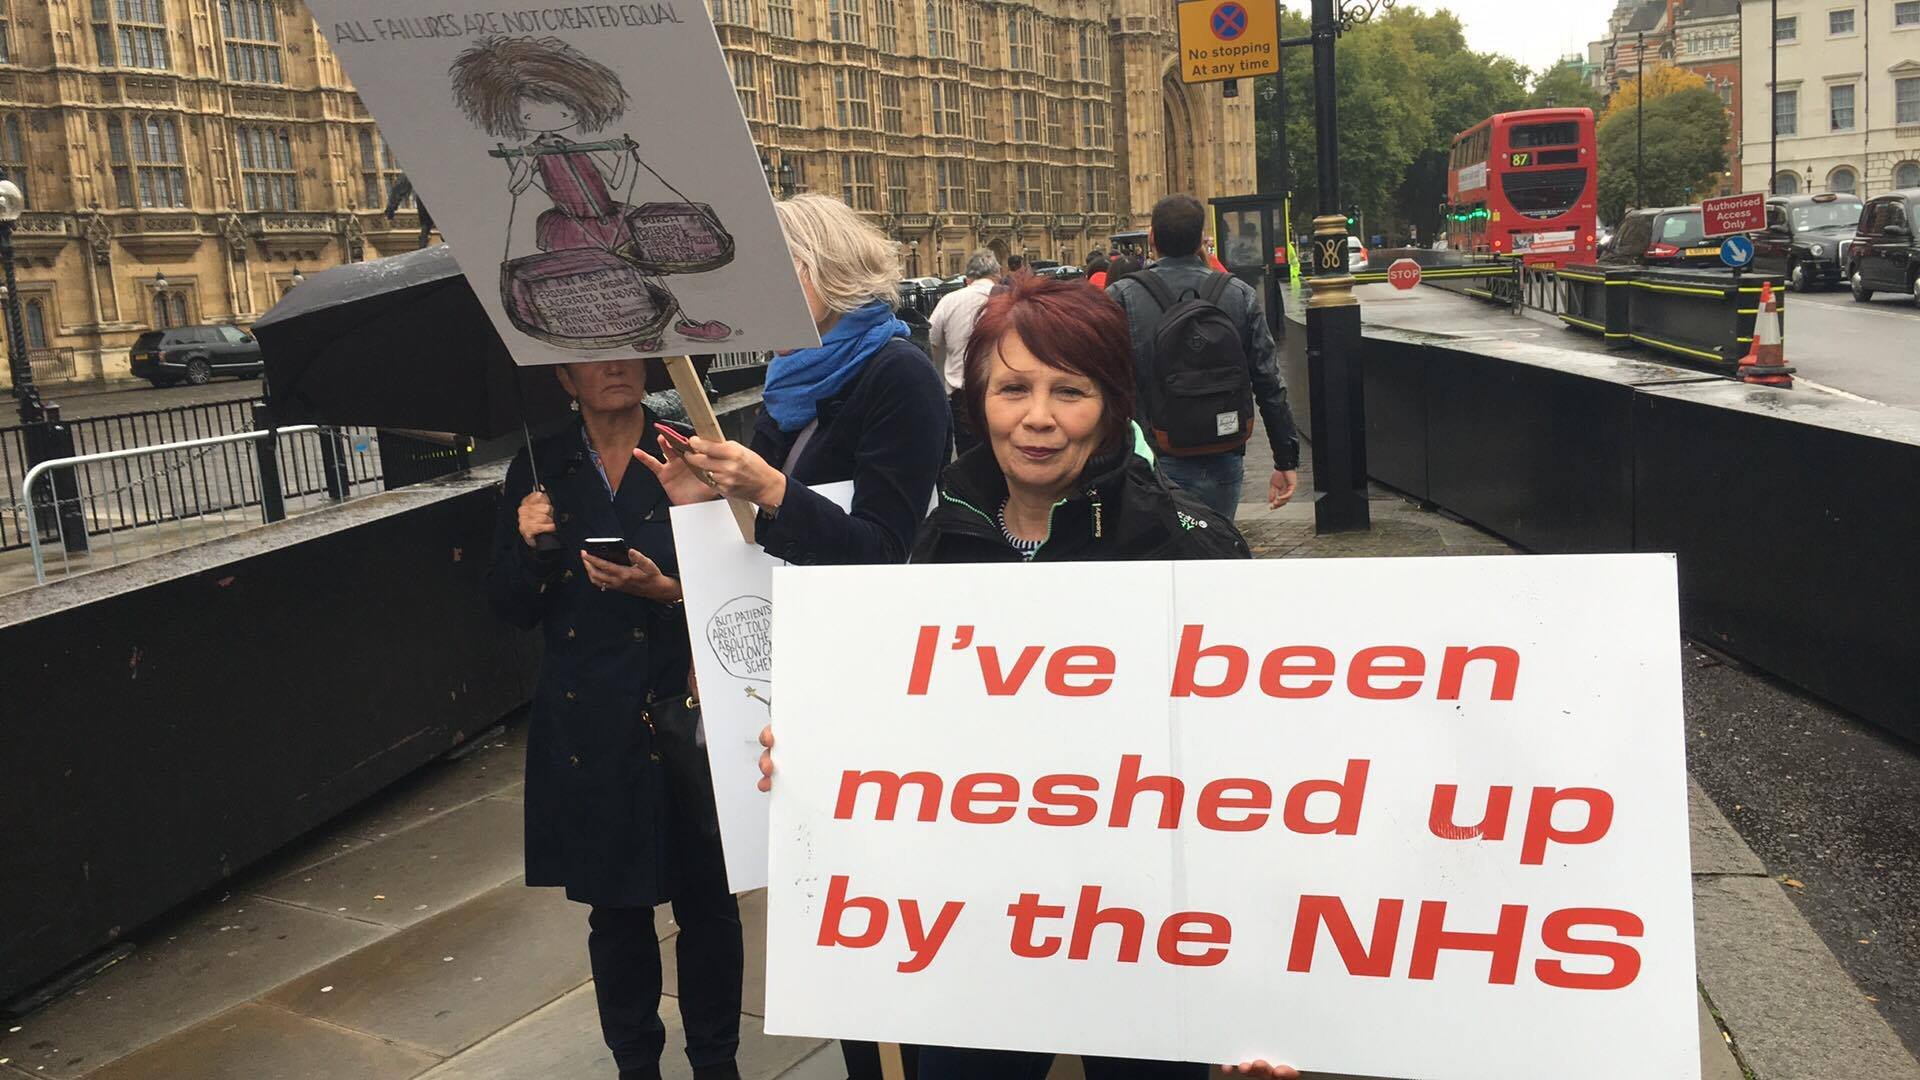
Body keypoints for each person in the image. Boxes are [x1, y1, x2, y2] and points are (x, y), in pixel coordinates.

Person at [754, 276, 1299, 1079]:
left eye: (1069, 391)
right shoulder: (942, 538)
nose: (1038, 417)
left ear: (1112, 406)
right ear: (977, 402)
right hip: (983, 932)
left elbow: (1274, 785)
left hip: (1150, 937)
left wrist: (1262, 1005)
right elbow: (906, 733)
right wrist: (818, 761)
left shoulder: (1190, 547)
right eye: (1013, 388)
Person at [631, 192, 948, 1080]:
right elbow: (763, 537)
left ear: (825, 274)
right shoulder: (790, 381)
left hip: (883, 683)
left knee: (896, 911)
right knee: (834, 915)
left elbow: (884, 553)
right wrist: (712, 500)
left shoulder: (898, 376)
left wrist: (770, 490)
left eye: (777, 274)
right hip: (803, 675)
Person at [486, 357, 742, 1080]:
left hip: (682, 709)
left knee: (709, 905)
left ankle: (717, 1063)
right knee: (617, 913)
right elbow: (507, 608)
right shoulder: (537, 469)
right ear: (564, 379)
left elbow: (742, 583)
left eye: (629, 352)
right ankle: (637, 1065)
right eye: (594, 361)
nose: (617, 368)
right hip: (589, 719)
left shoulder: (686, 449)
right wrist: (529, 546)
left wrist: (668, 591)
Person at [1107, 194, 1301, 521]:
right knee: (1216, 544)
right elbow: (1269, 383)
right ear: (1201, 240)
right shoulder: (1239, 294)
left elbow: (1103, 385)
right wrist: (1285, 460)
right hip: (1222, 454)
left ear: (1152, 238)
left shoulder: (1122, 297)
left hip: (1151, 457)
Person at [928, 250, 1001, 457]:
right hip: (1004, 392)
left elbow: (930, 342)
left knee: (970, 465)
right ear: (997, 274)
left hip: (963, 397)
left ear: (968, 278)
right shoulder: (1009, 298)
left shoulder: (950, 300)